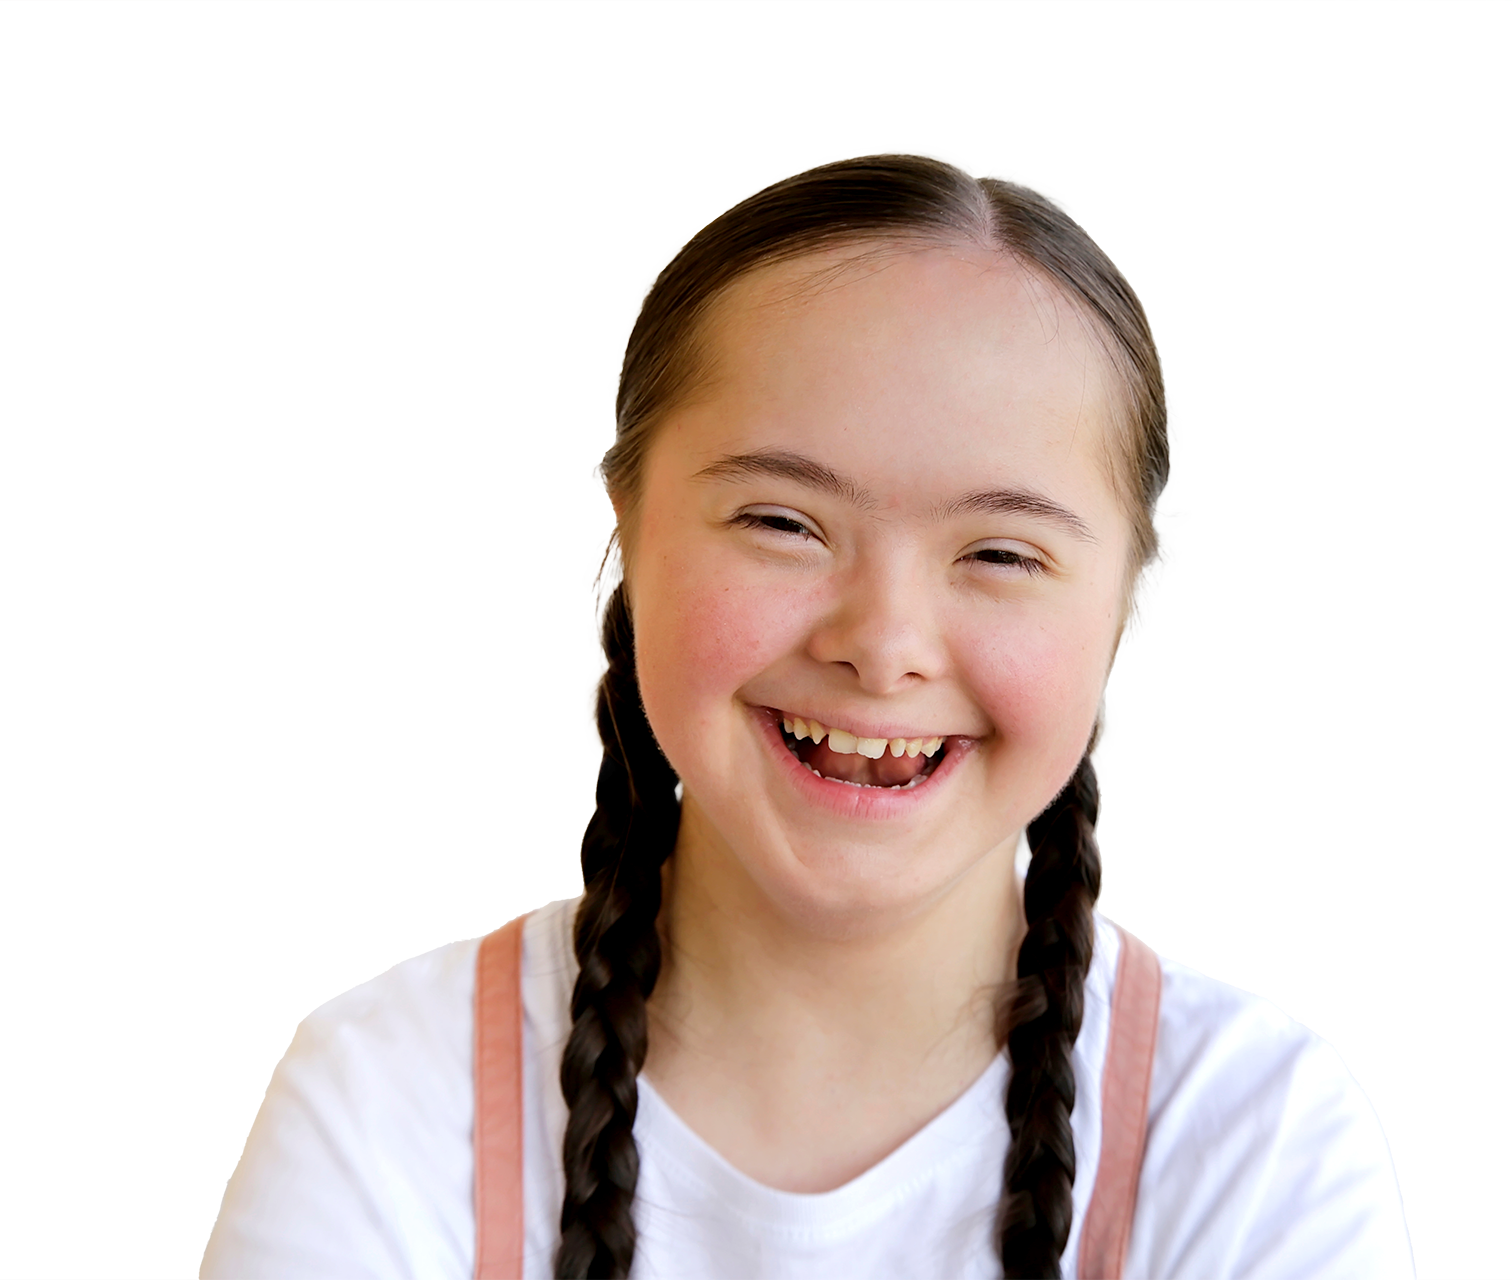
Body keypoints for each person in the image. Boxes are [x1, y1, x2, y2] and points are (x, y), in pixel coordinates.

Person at [195, 154, 1415, 1279]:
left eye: (998, 550)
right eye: (783, 521)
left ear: (1119, 597)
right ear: (630, 527)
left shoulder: (1256, 1144)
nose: (881, 644)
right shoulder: (391, 1105)